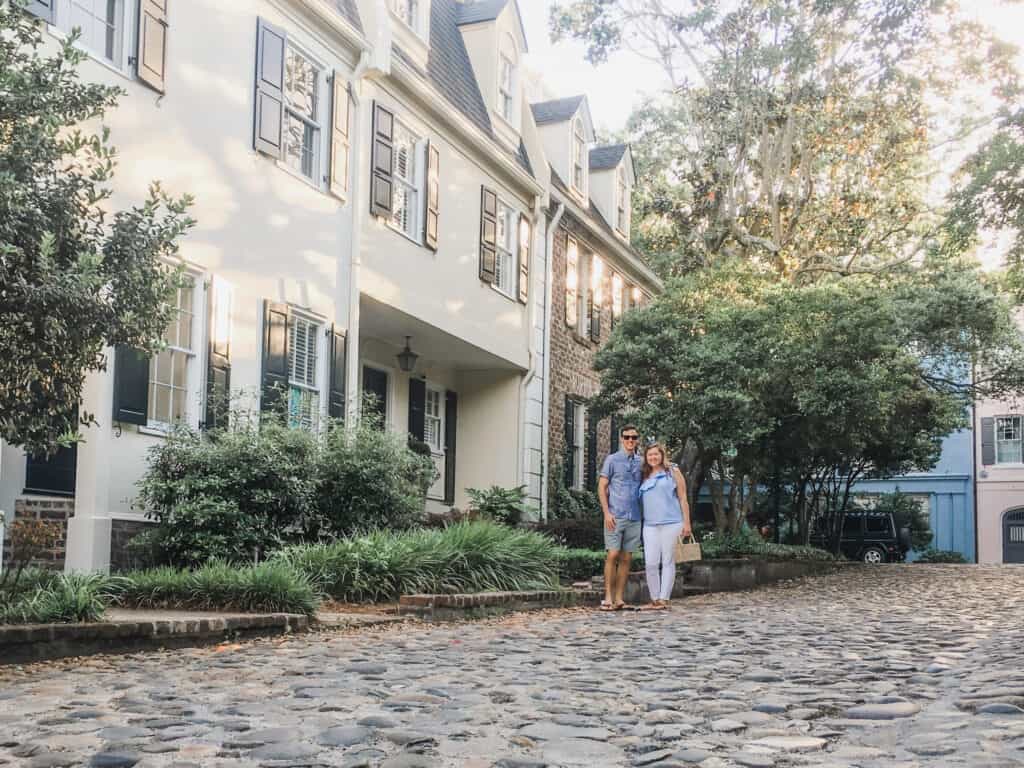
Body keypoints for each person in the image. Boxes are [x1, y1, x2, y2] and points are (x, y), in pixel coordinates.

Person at [638, 443, 691, 610]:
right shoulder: (644, 475)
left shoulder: (673, 471)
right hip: (650, 525)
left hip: (672, 523)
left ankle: (664, 599)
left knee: (668, 561)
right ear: (646, 458)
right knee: (651, 563)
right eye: (650, 455)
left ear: (662, 455)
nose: (653, 457)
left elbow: (683, 498)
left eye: (656, 454)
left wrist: (687, 523)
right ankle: (654, 599)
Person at [597, 425, 643, 611]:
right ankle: (608, 596)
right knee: (613, 554)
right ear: (621, 439)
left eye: (634, 437)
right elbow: (602, 487)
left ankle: (619, 598)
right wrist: (606, 513)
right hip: (615, 515)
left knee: (626, 558)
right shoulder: (612, 460)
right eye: (627, 437)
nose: (630, 440)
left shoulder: (641, 462)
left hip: (635, 516)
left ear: (637, 439)